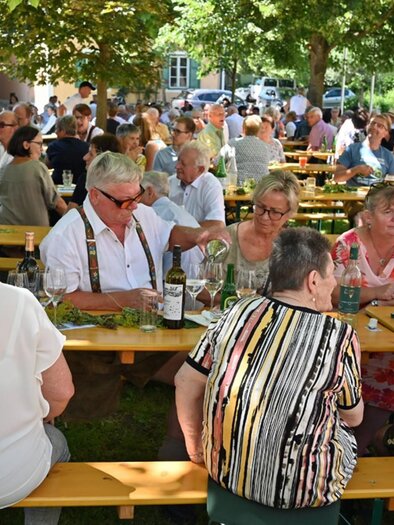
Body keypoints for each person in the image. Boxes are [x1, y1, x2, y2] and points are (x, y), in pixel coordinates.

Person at [175, 227, 363, 525]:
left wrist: (195, 445)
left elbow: (186, 380)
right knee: (343, 427)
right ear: (313, 281)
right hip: (304, 500)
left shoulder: (235, 312)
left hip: (228, 480)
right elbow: (353, 417)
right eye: (332, 274)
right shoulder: (339, 335)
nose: (335, 282)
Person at [39, 151, 229, 419]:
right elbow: (63, 298)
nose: (133, 207)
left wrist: (199, 235)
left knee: (211, 368)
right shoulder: (65, 236)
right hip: (96, 343)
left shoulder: (142, 215)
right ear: (94, 195)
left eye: (137, 196)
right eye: (124, 201)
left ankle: (183, 440)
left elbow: (169, 235)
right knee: (86, 416)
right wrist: (125, 299)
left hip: (153, 332)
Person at [0, 282, 74, 522]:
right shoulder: (20, 300)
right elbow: (61, 393)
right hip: (11, 476)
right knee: (56, 440)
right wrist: (40, 415)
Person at [331, 182, 394, 455]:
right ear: (368, 217)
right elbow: (334, 296)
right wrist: (379, 291)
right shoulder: (347, 244)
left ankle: (362, 446)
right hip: (351, 337)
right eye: (389, 211)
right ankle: (352, 449)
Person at [223, 170, 300, 294]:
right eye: (261, 207)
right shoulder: (227, 237)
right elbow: (203, 290)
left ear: (289, 214)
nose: (265, 217)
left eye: (275, 212)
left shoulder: (295, 248)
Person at [140, 170, 204, 275]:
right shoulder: (178, 211)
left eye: (138, 192)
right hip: (197, 278)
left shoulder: (154, 214)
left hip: (173, 282)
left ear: (149, 191)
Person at [0, 126, 67, 226]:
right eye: (39, 144)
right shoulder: (38, 168)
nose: (41, 149)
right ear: (26, 145)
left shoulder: (3, 171)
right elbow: (57, 203)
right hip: (35, 233)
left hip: (6, 230)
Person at [169, 141, 226, 227]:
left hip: (200, 240)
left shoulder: (210, 185)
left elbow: (217, 224)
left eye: (183, 164)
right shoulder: (170, 182)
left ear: (200, 170)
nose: (177, 166)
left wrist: (181, 231)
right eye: (178, 161)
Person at [334, 114, 394, 187]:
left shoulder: (388, 155)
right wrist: (356, 170)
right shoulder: (351, 149)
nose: (374, 127)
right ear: (367, 126)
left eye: (380, 126)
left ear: (386, 133)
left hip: (376, 196)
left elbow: (391, 181)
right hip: (353, 197)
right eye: (372, 123)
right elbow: (337, 177)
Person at [68, 132, 122, 209]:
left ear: (103, 159)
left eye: (91, 154)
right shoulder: (123, 181)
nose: (85, 157)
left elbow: (69, 213)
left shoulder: (87, 179)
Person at [225, 115, 270, 185]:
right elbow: (267, 163)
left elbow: (218, 161)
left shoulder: (233, 143)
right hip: (262, 186)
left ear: (243, 129)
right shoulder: (265, 146)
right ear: (258, 130)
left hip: (240, 185)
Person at [45, 115, 89, 185]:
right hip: (81, 186)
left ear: (63, 131)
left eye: (57, 129)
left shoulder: (54, 146)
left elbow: (47, 165)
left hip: (58, 186)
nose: (56, 132)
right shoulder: (86, 146)